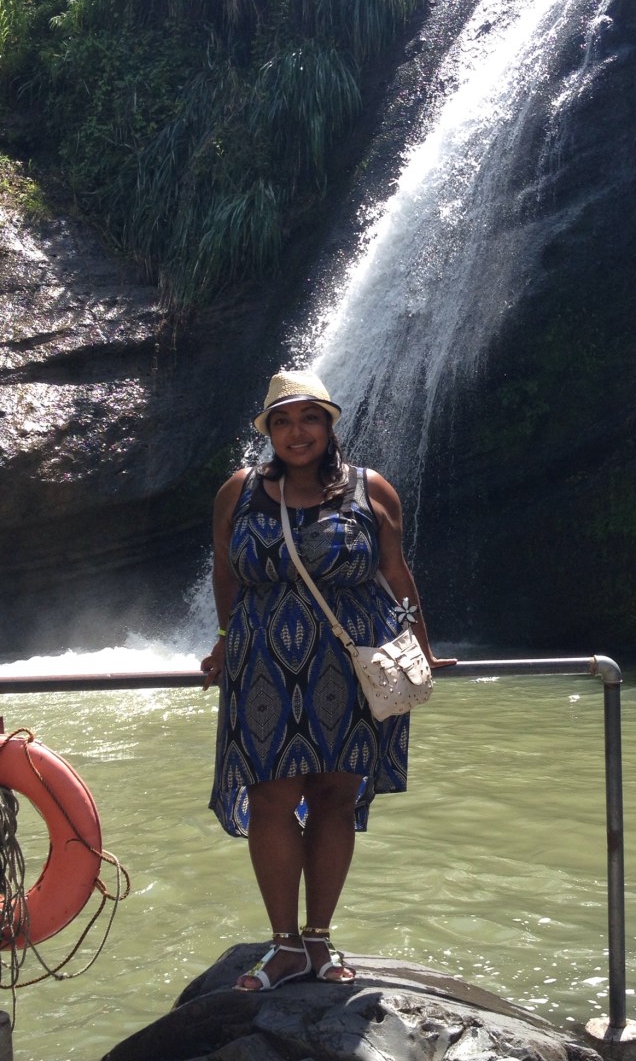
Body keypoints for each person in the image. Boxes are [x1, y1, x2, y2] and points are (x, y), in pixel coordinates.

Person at [200, 370, 456, 992]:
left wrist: (419, 647)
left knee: (337, 795)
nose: (297, 432)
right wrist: (226, 638)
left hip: (350, 662)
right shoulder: (240, 492)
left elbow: (397, 574)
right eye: (283, 422)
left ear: (329, 424)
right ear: (268, 432)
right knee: (271, 797)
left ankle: (317, 939)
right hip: (264, 662)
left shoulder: (370, 490)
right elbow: (225, 573)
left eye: (308, 419)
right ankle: (283, 945)